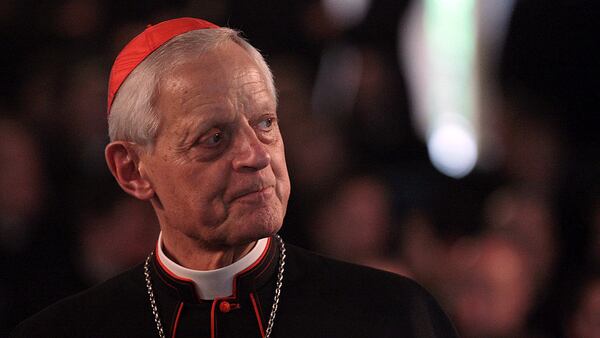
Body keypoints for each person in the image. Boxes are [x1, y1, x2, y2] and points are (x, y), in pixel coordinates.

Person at [11, 17, 457, 337]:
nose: (255, 156)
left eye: (265, 123)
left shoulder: (394, 314)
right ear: (132, 170)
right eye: (214, 137)